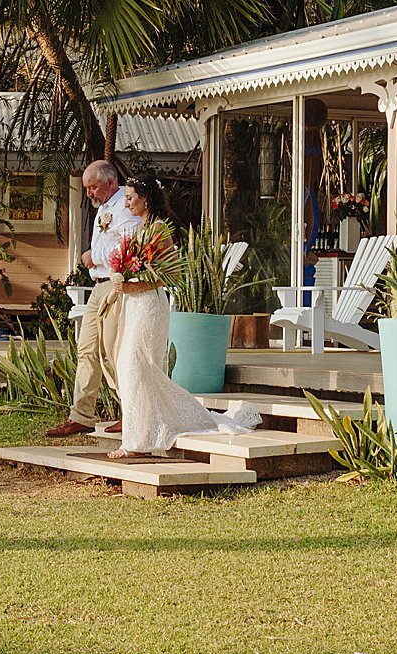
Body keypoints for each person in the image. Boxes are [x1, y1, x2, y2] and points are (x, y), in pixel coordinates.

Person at [106, 177, 263, 456]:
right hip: (134, 305)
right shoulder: (138, 229)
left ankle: (138, 443)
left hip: (150, 307)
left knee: (137, 366)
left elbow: (169, 275)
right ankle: (141, 433)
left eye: (130, 197)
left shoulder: (159, 231)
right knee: (132, 368)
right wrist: (121, 279)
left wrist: (133, 284)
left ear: (146, 199)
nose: (126, 202)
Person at [42, 160, 137, 438]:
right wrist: (93, 257)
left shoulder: (126, 207)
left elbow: (127, 249)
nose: (89, 194)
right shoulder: (103, 211)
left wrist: (93, 257)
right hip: (98, 284)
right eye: (87, 188)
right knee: (86, 349)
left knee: (111, 349)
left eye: (93, 187)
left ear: (109, 182)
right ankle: (81, 415)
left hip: (117, 284)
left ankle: (129, 411)